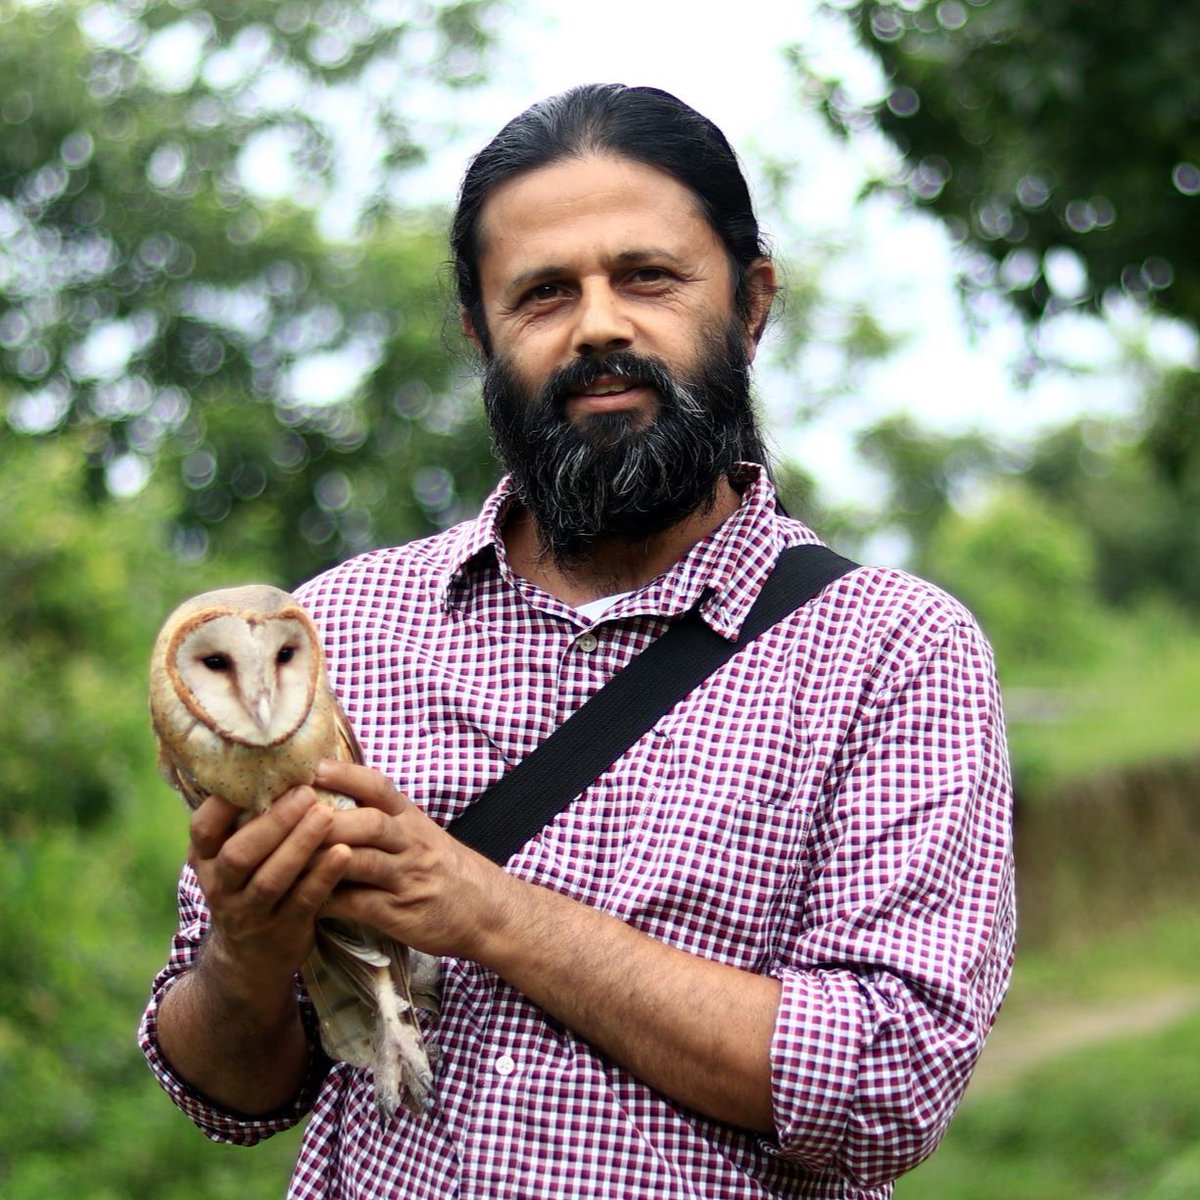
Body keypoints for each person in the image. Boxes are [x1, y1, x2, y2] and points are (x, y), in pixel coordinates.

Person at [140, 83, 1015, 1199]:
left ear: (749, 305)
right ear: (481, 337)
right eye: (543, 293)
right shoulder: (334, 633)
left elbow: (886, 1085)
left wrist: (486, 911)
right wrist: (248, 954)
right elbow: (226, 1091)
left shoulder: (891, 650)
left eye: (647, 277)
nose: (599, 324)